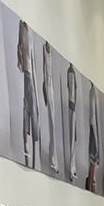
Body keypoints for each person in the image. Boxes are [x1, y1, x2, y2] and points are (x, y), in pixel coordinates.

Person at [16, 20, 39, 169]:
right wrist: (23, 65)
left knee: (30, 112)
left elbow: (32, 58)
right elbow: (19, 49)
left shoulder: (30, 31)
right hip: (28, 75)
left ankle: (30, 156)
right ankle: (28, 152)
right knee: (30, 113)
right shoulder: (22, 29)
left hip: (31, 77)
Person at [42, 40, 58, 173]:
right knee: (51, 124)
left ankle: (53, 158)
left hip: (51, 88)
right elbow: (44, 73)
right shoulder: (44, 50)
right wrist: (45, 93)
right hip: (47, 88)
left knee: (53, 125)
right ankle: (53, 159)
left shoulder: (51, 50)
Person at [66, 63, 78, 181]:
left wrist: (74, 106)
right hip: (71, 107)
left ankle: (72, 168)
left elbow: (73, 90)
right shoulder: (70, 71)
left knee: (73, 138)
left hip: (72, 107)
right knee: (72, 138)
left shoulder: (71, 72)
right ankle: (72, 169)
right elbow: (71, 90)